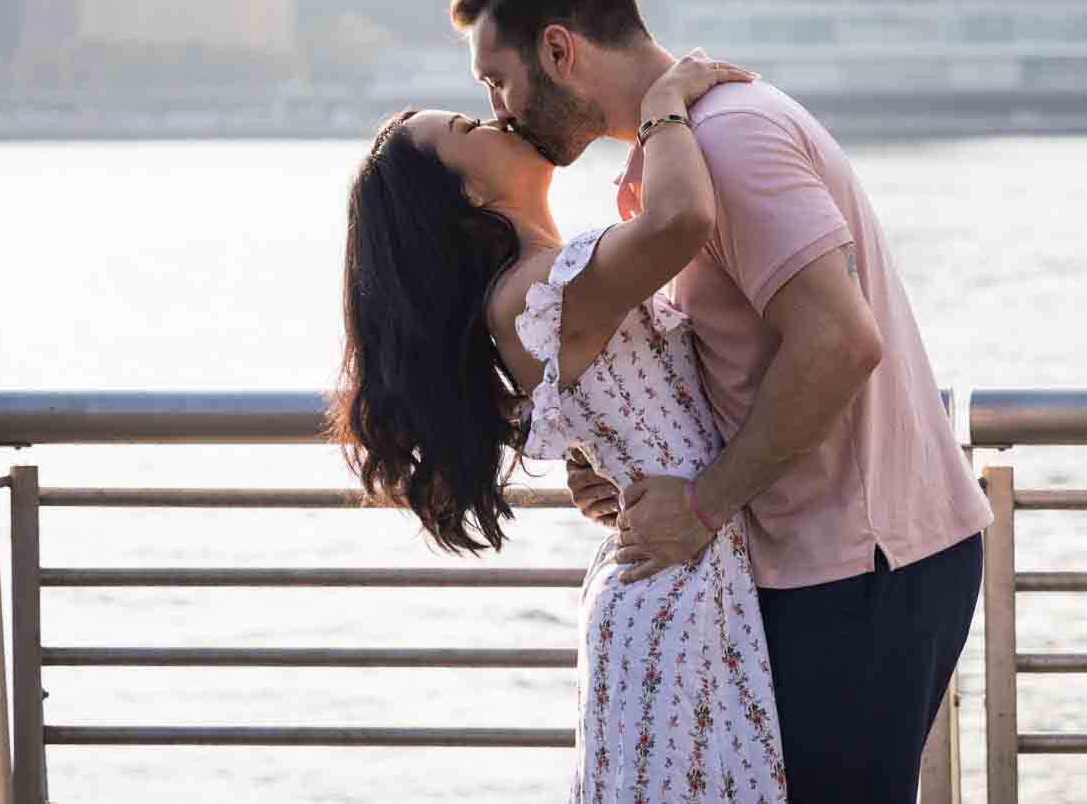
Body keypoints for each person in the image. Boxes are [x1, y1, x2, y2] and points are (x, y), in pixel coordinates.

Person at [450, 0, 991, 803]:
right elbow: (734, 357)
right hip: (822, 562)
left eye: (496, 82)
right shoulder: (674, 163)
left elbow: (839, 342)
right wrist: (629, 472)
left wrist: (701, 501)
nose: (499, 110)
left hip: (861, 568)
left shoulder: (730, 140)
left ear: (560, 50)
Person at [334, 49, 791, 802]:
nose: (494, 118)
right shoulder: (532, 293)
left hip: (682, 576)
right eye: (465, 125)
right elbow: (682, 218)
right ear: (468, 192)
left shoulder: (539, 283)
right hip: (671, 597)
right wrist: (664, 103)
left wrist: (607, 467)